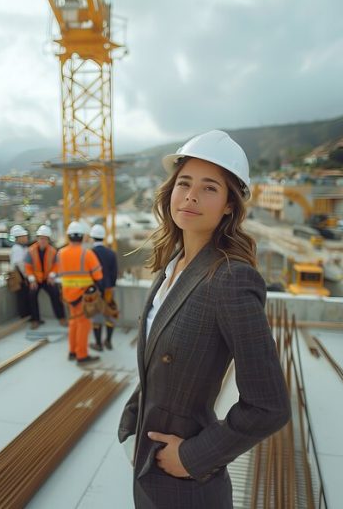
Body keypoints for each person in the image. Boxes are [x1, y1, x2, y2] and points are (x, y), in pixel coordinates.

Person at [117, 130, 290, 508]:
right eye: (184, 183)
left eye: (210, 188)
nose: (192, 195)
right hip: (151, 466)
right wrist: (137, 421)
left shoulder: (231, 278)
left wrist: (193, 457)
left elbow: (270, 405)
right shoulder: (172, 266)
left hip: (187, 486)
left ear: (229, 205)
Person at [52, 221, 102, 364]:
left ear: (68, 236)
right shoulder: (87, 253)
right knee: (84, 324)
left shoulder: (60, 253)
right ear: (82, 237)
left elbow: (58, 272)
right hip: (83, 296)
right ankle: (82, 355)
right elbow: (98, 275)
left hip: (68, 295)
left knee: (73, 322)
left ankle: (72, 351)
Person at [24, 225, 67, 329]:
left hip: (48, 279)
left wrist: (52, 275)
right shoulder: (31, 250)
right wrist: (32, 280)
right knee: (31, 295)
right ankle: (35, 320)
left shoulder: (52, 251)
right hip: (36, 279)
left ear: (48, 240)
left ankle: (61, 317)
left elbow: (56, 265)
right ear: (37, 239)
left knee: (56, 294)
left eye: (45, 239)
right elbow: (28, 267)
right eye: (40, 238)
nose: (42, 241)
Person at [89, 223, 118, 351]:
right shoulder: (111, 253)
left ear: (92, 237)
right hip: (108, 290)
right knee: (109, 315)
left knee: (96, 317)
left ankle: (98, 344)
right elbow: (114, 273)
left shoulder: (89, 254)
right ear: (103, 237)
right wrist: (110, 286)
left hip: (94, 290)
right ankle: (109, 341)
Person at [9, 225, 31, 319]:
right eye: (24, 236)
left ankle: (26, 315)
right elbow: (19, 264)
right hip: (20, 276)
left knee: (24, 296)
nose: (26, 238)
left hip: (22, 275)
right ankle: (24, 315)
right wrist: (26, 276)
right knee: (22, 296)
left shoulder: (22, 248)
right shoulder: (17, 249)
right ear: (19, 238)